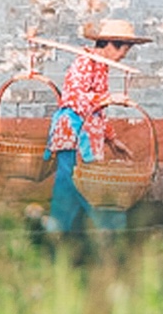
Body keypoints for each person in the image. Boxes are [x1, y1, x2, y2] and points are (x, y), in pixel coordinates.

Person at [46, 18, 150, 235]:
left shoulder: (101, 65)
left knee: (74, 186)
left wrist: (113, 139)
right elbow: (74, 98)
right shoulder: (85, 62)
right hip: (73, 134)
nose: (123, 55)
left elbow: (97, 112)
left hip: (86, 133)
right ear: (110, 44)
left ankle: (62, 232)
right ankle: (104, 231)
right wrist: (109, 98)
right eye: (123, 49)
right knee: (82, 184)